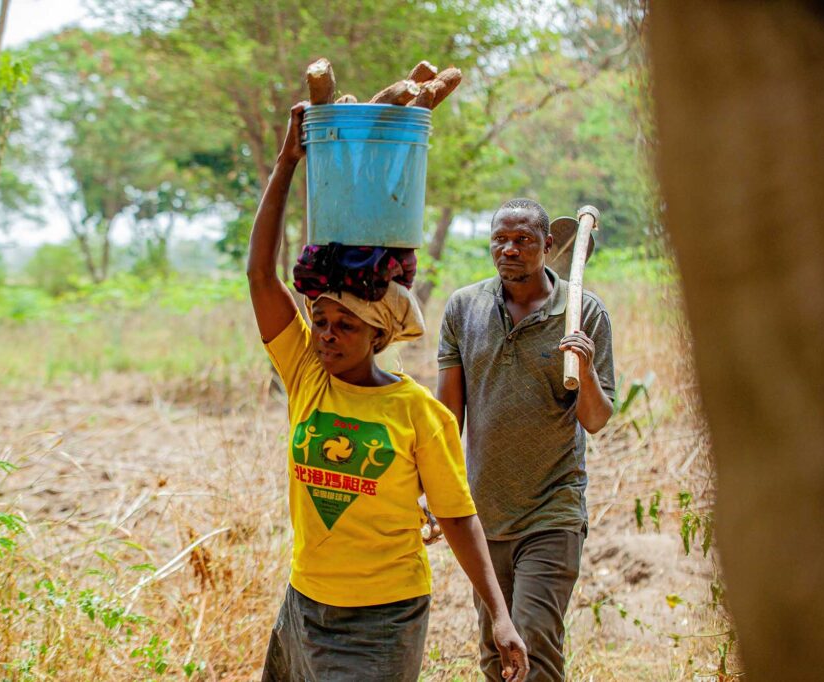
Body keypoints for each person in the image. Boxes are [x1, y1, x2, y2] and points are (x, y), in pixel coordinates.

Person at [247, 101, 529, 682]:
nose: (326, 335)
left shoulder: (419, 414)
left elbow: (457, 518)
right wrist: (287, 162)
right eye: (320, 320)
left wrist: (500, 617)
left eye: (345, 325)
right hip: (303, 604)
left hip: (384, 618)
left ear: (380, 334)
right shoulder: (306, 374)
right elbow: (259, 276)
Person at [436, 198, 615, 681]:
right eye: (501, 239)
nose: (509, 250)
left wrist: (586, 365)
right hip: (484, 515)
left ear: (549, 246)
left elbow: (595, 420)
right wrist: (434, 490)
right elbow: (448, 418)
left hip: (551, 511)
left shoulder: (584, 313)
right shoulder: (464, 308)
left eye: (524, 241)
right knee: (498, 651)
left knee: (534, 645)